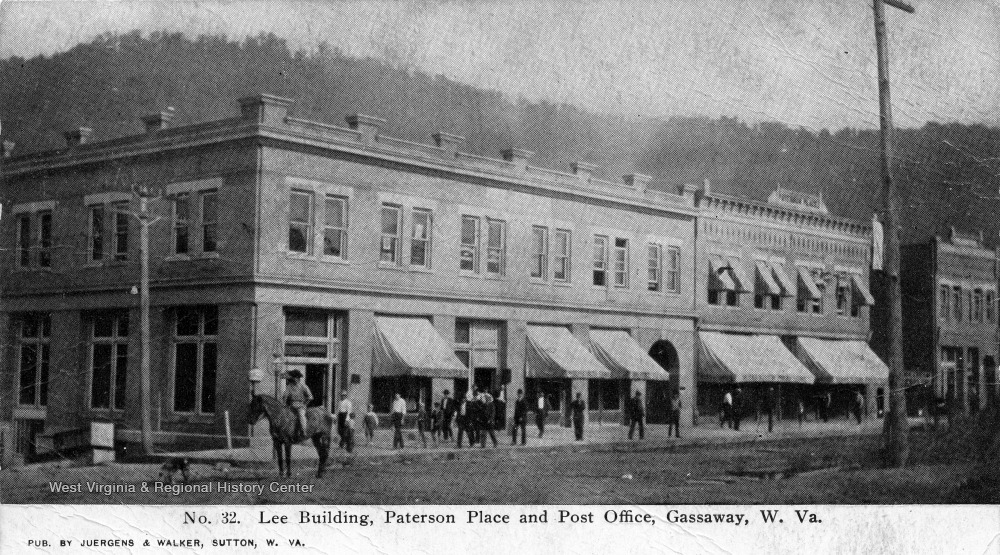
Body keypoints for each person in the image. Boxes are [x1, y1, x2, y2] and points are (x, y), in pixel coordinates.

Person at [282, 369, 313, 442]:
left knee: (301, 416)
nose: (295, 379)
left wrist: (304, 405)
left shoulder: (303, 386)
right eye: (294, 378)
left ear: (299, 378)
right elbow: (285, 396)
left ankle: (303, 431)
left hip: (300, 406)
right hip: (291, 406)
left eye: (297, 378)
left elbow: (310, 397)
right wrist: (284, 403)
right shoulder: (289, 386)